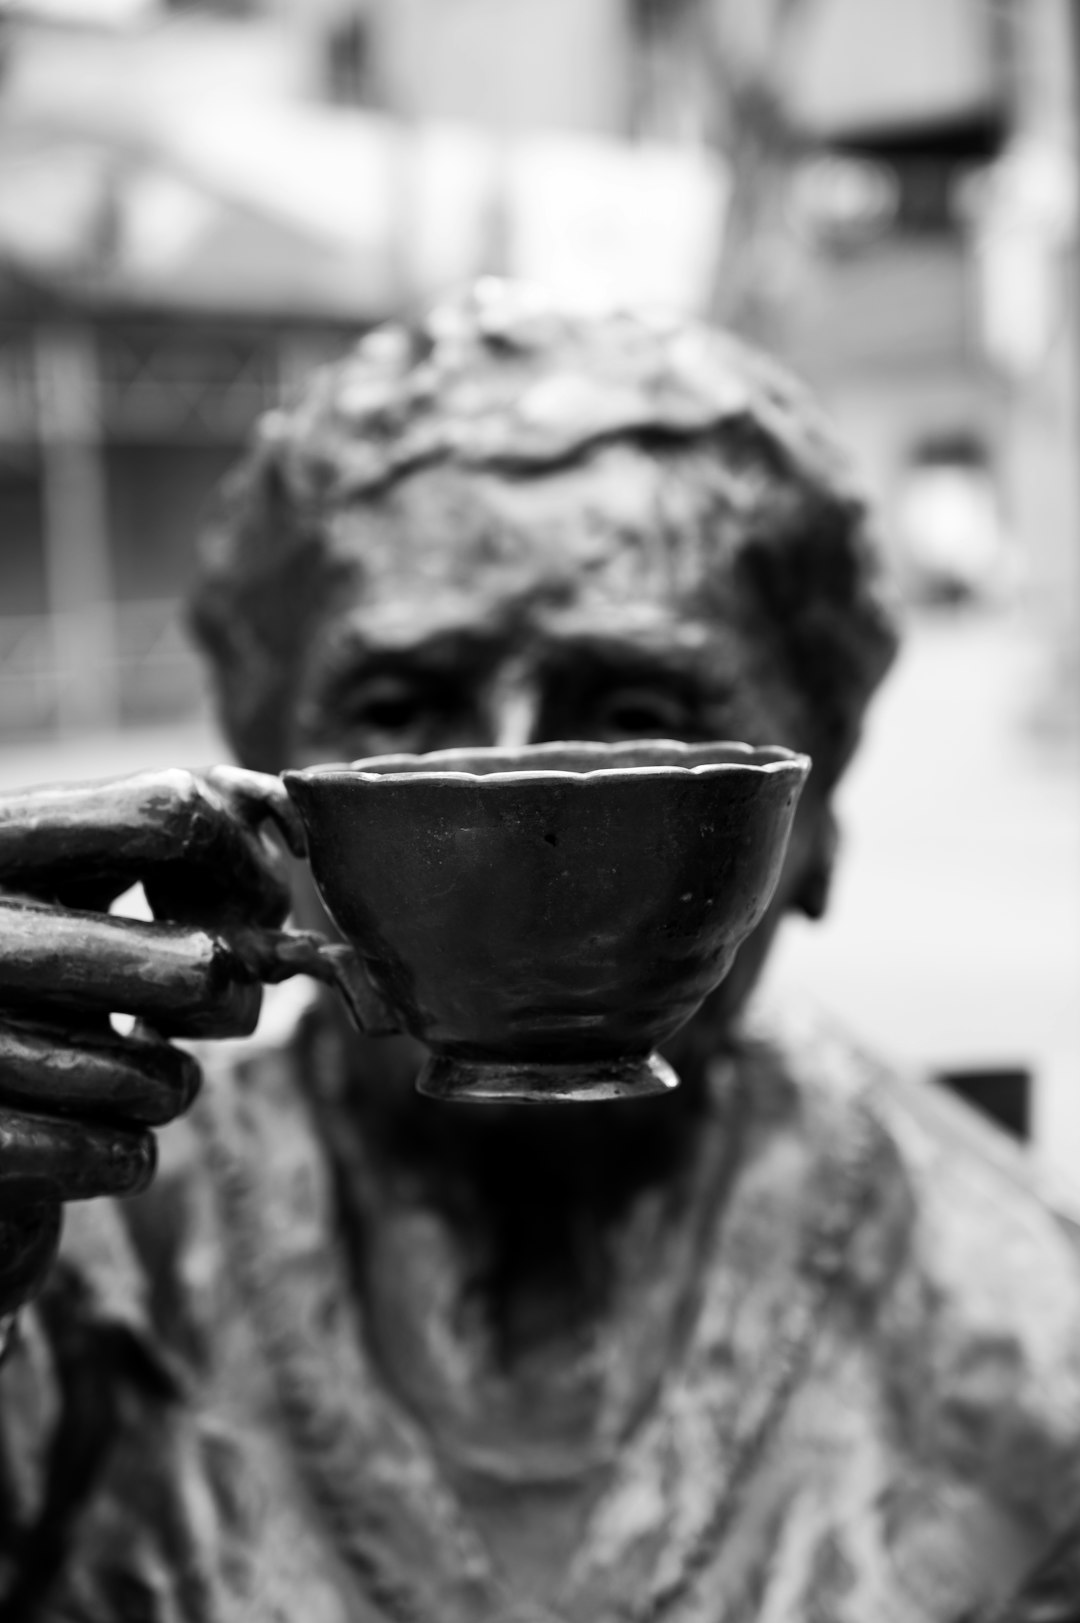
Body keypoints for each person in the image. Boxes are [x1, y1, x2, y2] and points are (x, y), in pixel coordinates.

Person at [1, 280, 1078, 1623]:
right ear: (265, 784)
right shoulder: (62, 1251)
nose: (515, 800)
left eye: (634, 710)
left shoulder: (1034, 1345)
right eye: (402, 710)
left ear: (812, 831)